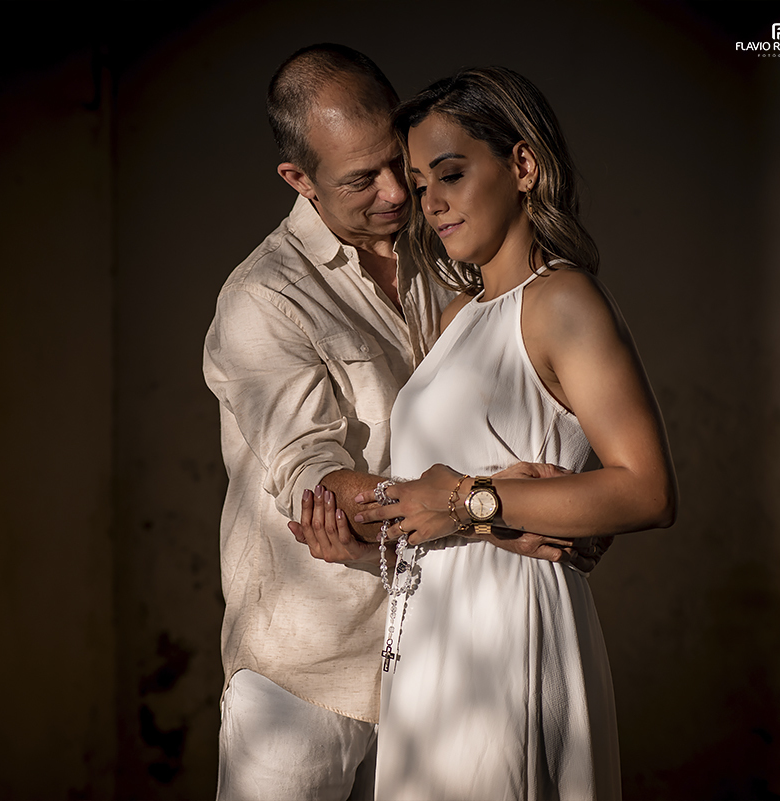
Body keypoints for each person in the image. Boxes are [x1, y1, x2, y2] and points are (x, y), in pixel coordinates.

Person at [203, 47, 602, 801]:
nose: (395, 192)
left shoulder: (451, 254)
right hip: (308, 675)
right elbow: (319, 483)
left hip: (445, 657)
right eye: (361, 179)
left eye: (400, 164)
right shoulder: (262, 299)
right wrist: (489, 513)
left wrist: (559, 506)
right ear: (299, 180)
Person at [296, 66, 678, 799]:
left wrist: (474, 500)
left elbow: (648, 488)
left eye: (450, 173)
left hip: (505, 631)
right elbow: (429, 498)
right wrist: (393, 521)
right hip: (429, 633)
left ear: (523, 165)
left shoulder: (562, 298)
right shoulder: (457, 317)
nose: (428, 202)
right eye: (418, 180)